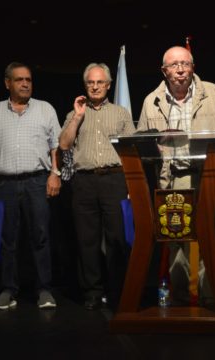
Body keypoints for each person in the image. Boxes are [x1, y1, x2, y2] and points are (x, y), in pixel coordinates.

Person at [137, 46, 215, 304]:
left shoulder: (213, 93)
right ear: (164, 71)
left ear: (193, 67)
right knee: (175, 238)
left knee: (206, 236)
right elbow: (141, 144)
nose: (180, 69)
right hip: (171, 178)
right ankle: (180, 296)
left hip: (207, 176)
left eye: (185, 63)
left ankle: (206, 296)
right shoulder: (152, 101)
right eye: (174, 65)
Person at [0, 62, 61, 310]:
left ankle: (44, 289)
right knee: (8, 239)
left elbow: (57, 145)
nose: (25, 84)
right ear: (7, 83)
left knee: (41, 236)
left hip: (37, 181)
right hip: (5, 184)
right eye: (19, 80)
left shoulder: (45, 109)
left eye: (29, 80)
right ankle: (8, 289)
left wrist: (55, 174)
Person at [59, 63, 135, 310]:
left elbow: (130, 150)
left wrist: (132, 184)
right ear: (85, 85)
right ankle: (92, 291)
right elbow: (64, 145)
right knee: (87, 239)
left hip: (115, 179)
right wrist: (77, 117)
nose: (95, 86)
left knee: (117, 238)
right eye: (90, 82)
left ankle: (118, 292)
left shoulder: (121, 113)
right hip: (84, 182)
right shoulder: (76, 112)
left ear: (108, 85)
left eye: (99, 82)